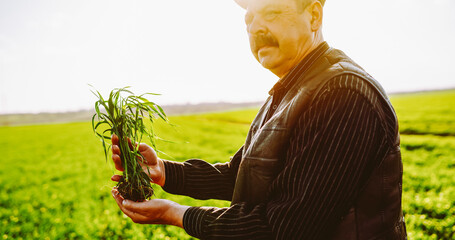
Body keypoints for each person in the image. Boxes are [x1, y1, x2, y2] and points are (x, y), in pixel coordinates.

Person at [110, 0, 407, 239]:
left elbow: (285, 229)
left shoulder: (342, 93)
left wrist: (174, 213)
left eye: (271, 12)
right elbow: (240, 176)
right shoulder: (290, 91)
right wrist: (162, 171)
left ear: (314, 15)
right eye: (249, 21)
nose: (256, 28)